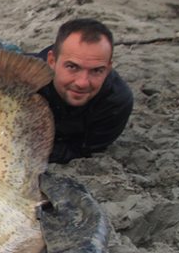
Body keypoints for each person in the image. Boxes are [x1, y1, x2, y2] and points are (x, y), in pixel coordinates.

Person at [37, 18, 133, 164]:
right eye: (72, 67)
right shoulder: (26, 80)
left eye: (97, 70)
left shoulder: (116, 102)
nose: (82, 83)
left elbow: (81, 150)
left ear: (108, 68)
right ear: (52, 61)